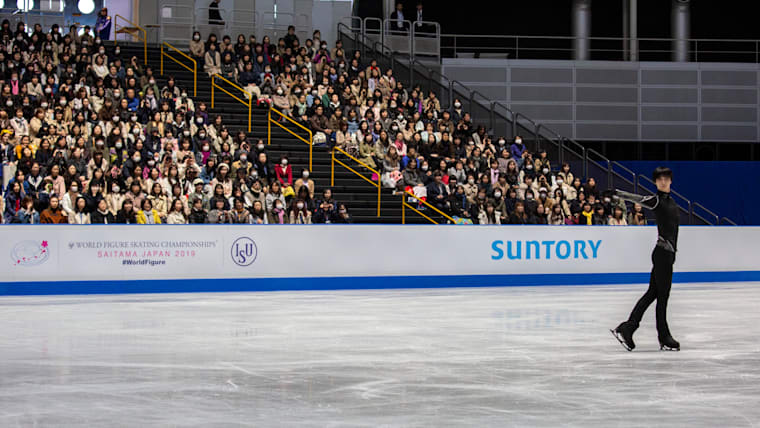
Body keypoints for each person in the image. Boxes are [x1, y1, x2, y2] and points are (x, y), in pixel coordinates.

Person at [611, 167, 681, 352]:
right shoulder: (656, 200)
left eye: (666, 178)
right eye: (659, 179)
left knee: (653, 293)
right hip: (662, 254)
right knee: (662, 296)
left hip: (667, 255)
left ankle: (629, 327)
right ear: (655, 182)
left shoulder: (672, 202)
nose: (663, 181)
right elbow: (638, 199)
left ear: (671, 181)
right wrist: (618, 194)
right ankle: (663, 336)